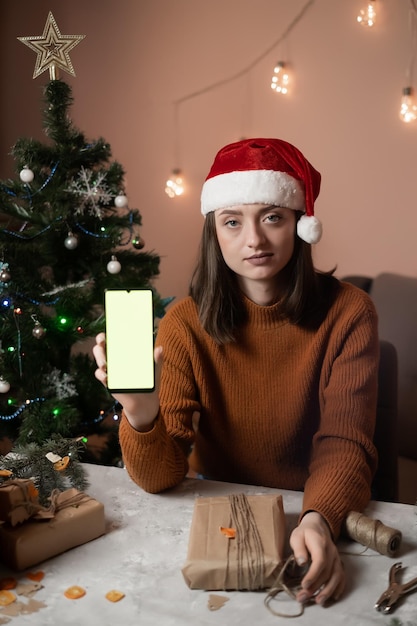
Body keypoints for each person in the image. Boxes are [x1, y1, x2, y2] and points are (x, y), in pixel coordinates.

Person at [93, 137, 379, 607]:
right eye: (232, 222)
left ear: (300, 225)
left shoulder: (350, 313)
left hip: (313, 512)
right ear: (214, 232)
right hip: (225, 519)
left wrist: (319, 518)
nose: (254, 240)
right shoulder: (186, 322)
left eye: (272, 217)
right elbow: (162, 478)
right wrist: (142, 415)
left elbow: (344, 441)